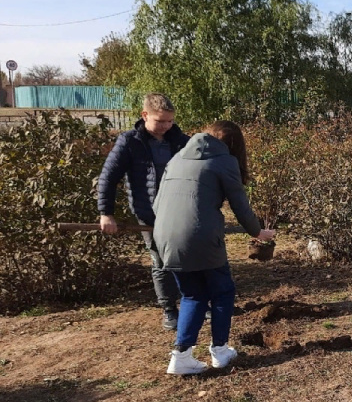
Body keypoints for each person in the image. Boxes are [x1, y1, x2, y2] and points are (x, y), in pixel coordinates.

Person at [152, 121, 274, 375]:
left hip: (164, 235)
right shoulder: (224, 161)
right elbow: (240, 205)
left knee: (192, 294)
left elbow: (158, 203)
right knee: (222, 291)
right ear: (233, 144)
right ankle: (220, 350)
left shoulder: (177, 158)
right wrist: (258, 232)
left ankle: (181, 356)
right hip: (200, 236)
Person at [98, 93, 190, 330]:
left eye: (169, 121)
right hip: (149, 214)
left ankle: (195, 302)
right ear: (145, 115)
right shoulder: (130, 142)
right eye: (160, 121)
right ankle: (169, 309)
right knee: (160, 260)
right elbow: (108, 178)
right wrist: (106, 213)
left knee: (188, 257)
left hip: (179, 211)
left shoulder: (180, 141)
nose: (166, 126)